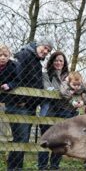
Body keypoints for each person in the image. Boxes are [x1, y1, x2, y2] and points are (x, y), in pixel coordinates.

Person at [5, 38, 52, 170]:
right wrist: (21, 100)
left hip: (29, 106)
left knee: (22, 140)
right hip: (20, 105)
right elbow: (18, 78)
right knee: (20, 139)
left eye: (48, 50)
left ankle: (15, 168)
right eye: (44, 47)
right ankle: (14, 168)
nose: (46, 51)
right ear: (37, 45)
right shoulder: (25, 55)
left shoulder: (35, 61)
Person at [37, 51, 69, 170]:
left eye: (61, 60)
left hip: (63, 110)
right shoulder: (46, 74)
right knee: (46, 139)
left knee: (60, 140)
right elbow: (48, 89)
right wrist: (64, 90)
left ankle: (55, 165)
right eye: (56, 60)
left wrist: (65, 90)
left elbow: (73, 90)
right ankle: (42, 166)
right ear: (52, 61)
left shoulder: (68, 75)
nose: (58, 63)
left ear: (64, 62)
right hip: (48, 109)